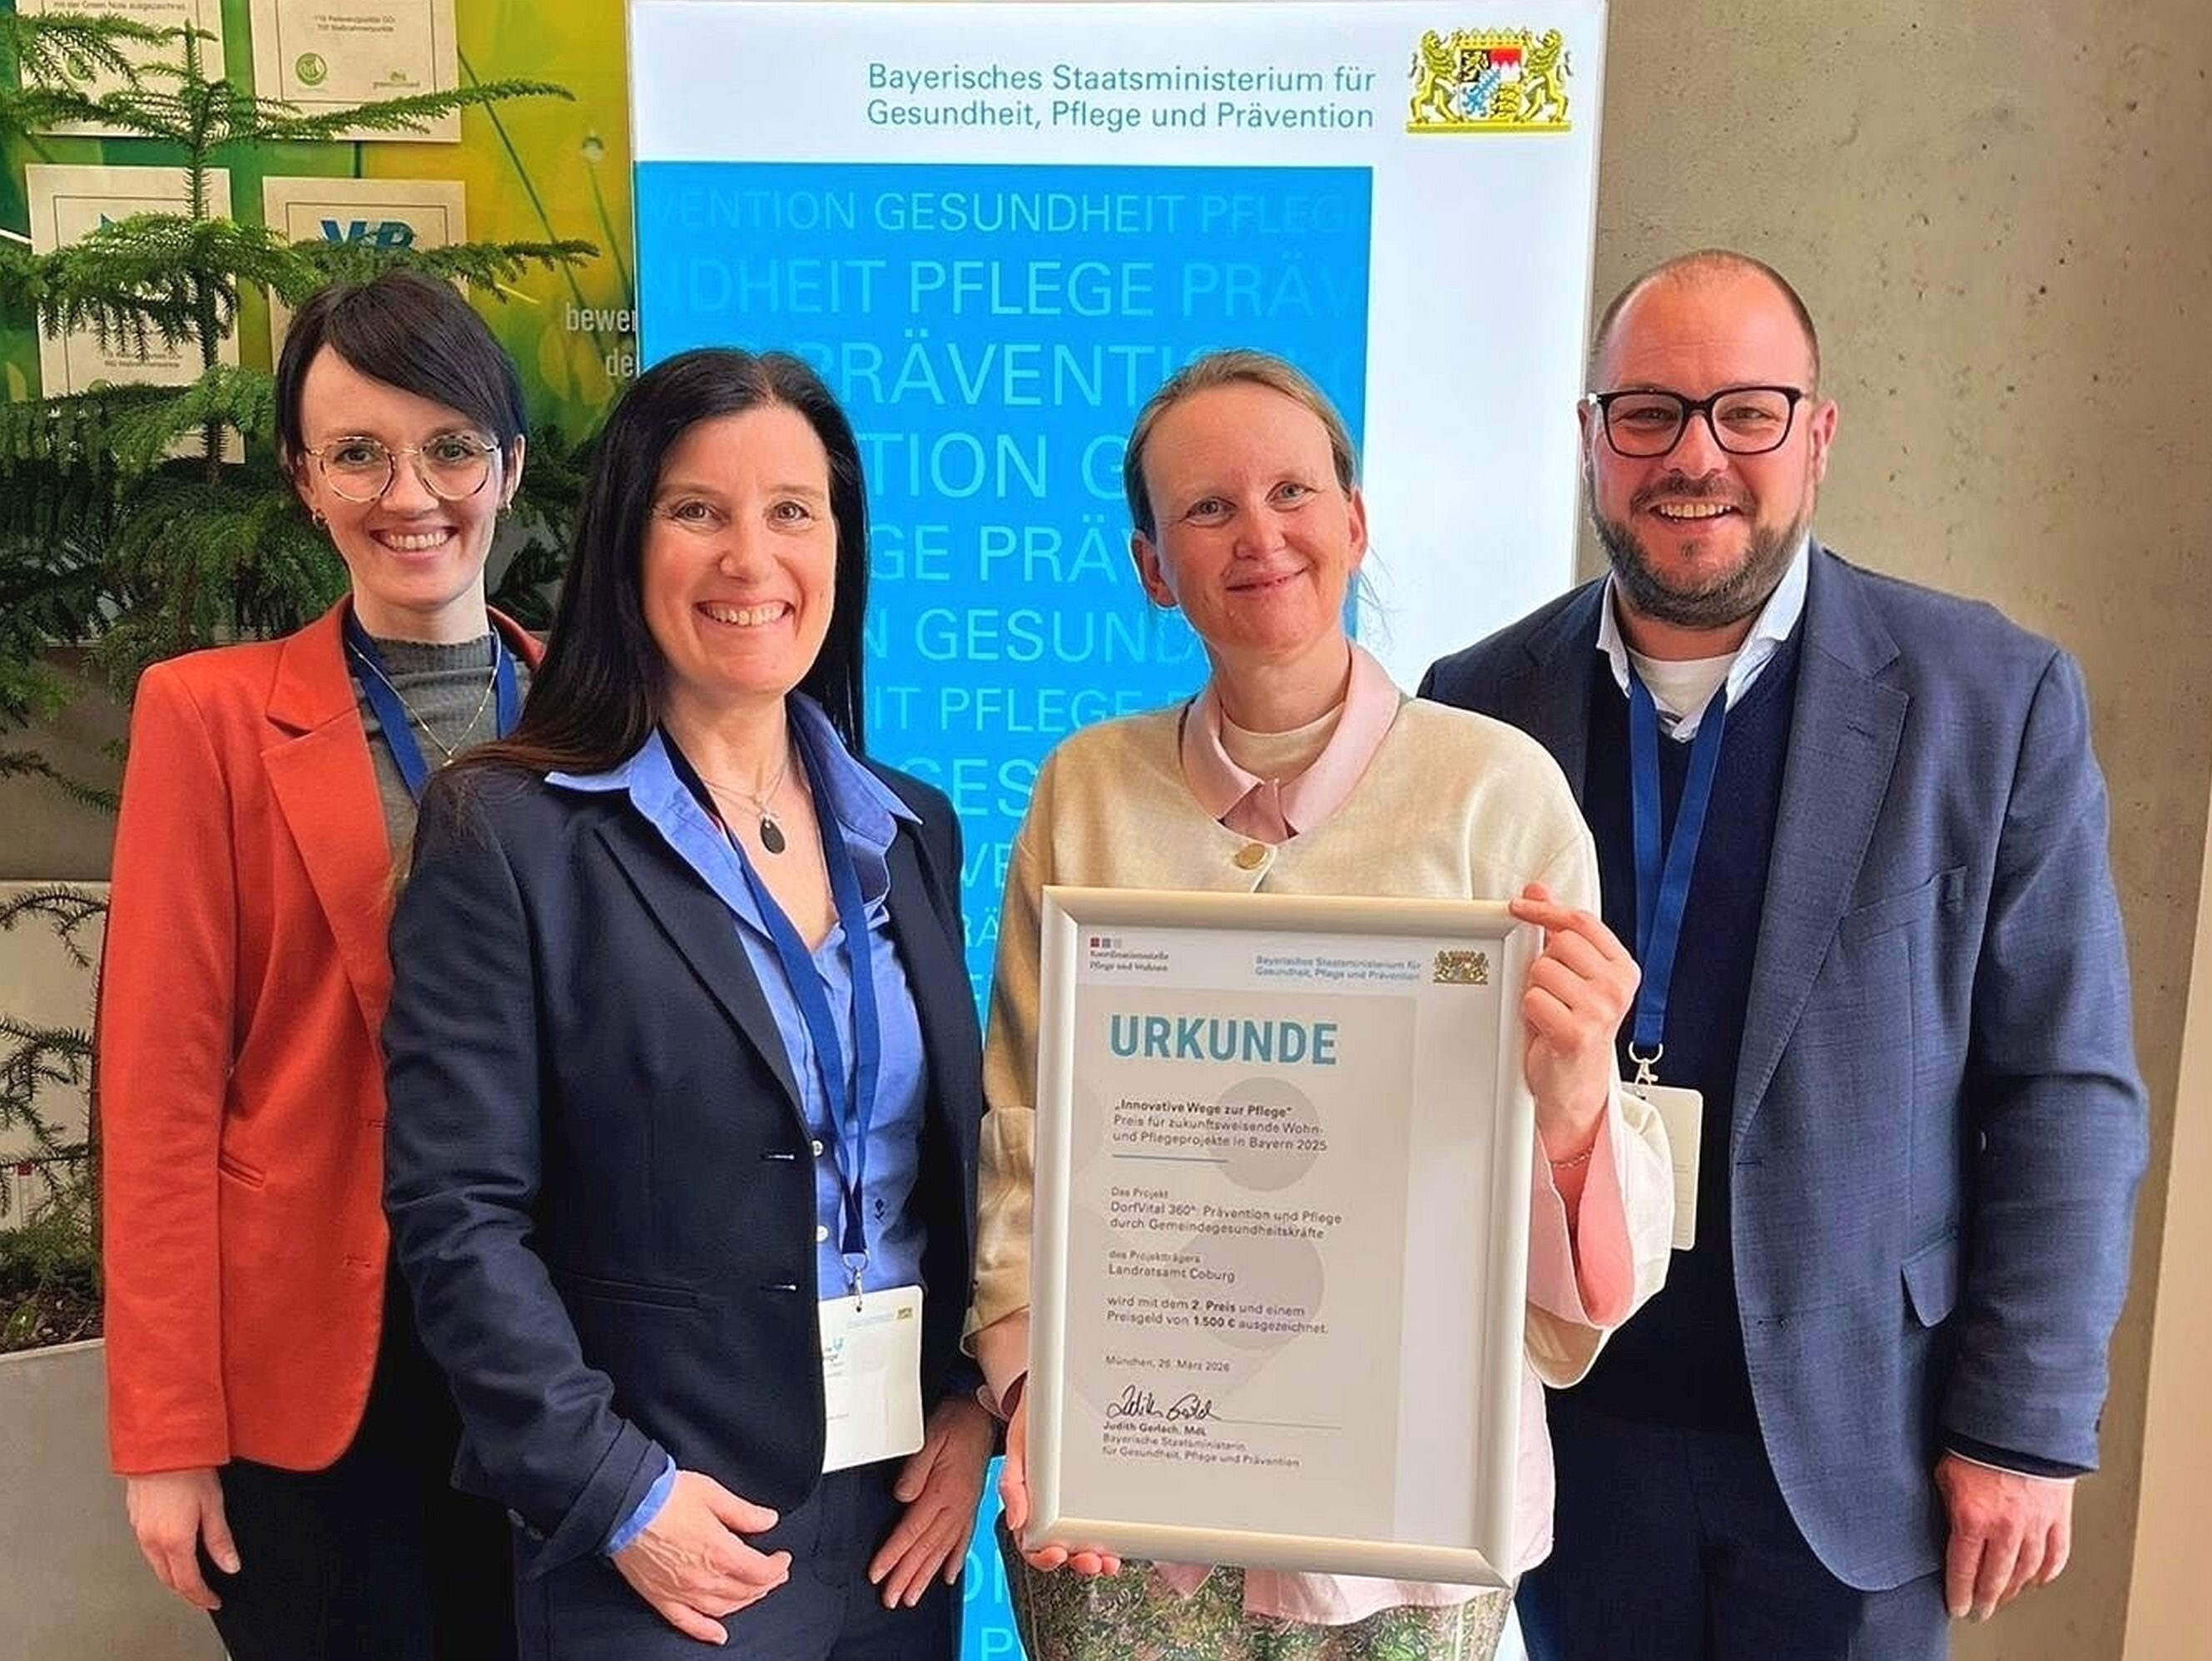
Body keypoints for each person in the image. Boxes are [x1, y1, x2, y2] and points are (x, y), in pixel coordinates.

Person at [1421, 249, 2149, 1659]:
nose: (1693, 457)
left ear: (1815, 437)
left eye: (1745, 411)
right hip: (1571, 1429)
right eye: (1646, 413)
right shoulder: (1474, 707)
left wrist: (2023, 1423)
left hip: (1857, 1441)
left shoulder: (1987, 702)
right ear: (1589, 441)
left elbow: (2063, 1091)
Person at [965, 349, 1675, 1660]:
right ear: (1149, 566)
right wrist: (1029, 1398)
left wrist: (1577, 1102)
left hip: (1399, 1521)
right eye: (1206, 508)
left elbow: (1581, 1234)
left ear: (1353, 523)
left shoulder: (1493, 793)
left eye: (1292, 491)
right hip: (1135, 1509)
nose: (1258, 535)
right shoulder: (1086, 791)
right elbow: (1022, 1131)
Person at [379, 347, 993, 1661]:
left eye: (792, 511)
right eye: (696, 510)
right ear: (624, 542)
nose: (749, 559)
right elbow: (457, 1214)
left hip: (896, 1514)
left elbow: (942, 1165)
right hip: (666, 1536)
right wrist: (614, 1494)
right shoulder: (507, 833)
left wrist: (970, 1405)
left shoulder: (910, 829)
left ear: (842, 544)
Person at [99, 268, 539, 1659]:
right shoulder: (210, 719)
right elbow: (160, 1094)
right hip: (319, 1360)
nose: (410, 493)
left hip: (561, 1353)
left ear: (507, 464)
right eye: (358, 453)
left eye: (449, 445)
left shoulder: (599, 716)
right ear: (304, 479)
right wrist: (165, 1435)